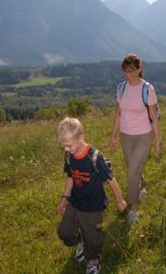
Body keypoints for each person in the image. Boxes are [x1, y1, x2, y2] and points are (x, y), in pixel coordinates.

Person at [56, 117, 127, 274]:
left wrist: (120, 200)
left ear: (81, 138)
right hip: (75, 202)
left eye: (69, 145)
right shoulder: (69, 156)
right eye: (64, 146)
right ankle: (80, 241)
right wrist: (64, 198)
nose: (66, 149)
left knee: (93, 240)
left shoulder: (94, 157)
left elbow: (110, 179)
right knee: (64, 232)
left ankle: (93, 260)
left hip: (93, 207)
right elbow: (70, 177)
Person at [109, 54, 162, 224]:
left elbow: (153, 117)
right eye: (125, 71)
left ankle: (132, 207)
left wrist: (158, 142)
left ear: (139, 69)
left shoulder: (148, 89)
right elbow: (118, 113)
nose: (128, 74)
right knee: (133, 168)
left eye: (131, 70)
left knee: (131, 172)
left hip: (144, 136)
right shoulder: (121, 88)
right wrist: (113, 136)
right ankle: (142, 185)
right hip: (126, 135)